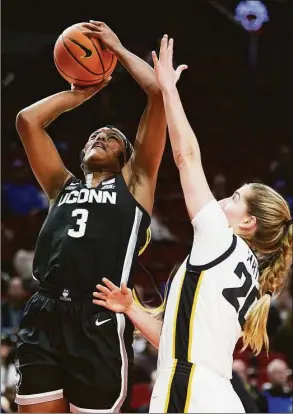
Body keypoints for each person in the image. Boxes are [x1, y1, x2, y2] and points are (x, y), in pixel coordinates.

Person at [93, 35, 293, 413]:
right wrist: (132, 308)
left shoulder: (222, 239)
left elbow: (186, 157)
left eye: (234, 198)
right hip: (215, 394)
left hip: (190, 392)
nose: (223, 200)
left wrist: (167, 90)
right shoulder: (252, 279)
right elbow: (175, 340)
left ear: (248, 222)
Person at [14, 21, 174, 414]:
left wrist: (115, 49)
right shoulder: (61, 186)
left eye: (111, 137)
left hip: (98, 316)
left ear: (126, 158)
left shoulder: (135, 185)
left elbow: (156, 93)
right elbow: (27, 120)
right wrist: (78, 94)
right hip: (46, 313)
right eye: (93, 136)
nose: (99, 136)